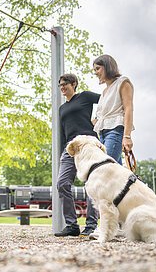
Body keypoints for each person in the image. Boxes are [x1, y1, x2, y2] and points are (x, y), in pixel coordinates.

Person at [55, 73, 101, 237]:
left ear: (74, 84)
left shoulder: (85, 97)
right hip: (70, 149)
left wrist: (98, 119)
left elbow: (106, 101)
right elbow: (62, 132)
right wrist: (62, 152)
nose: (62, 87)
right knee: (62, 184)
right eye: (60, 85)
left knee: (90, 184)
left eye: (65, 84)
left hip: (88, 145)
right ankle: (72, 225)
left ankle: (91, 224)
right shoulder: (62, 108)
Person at [91, 54, 134, 164]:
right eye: (94, 69)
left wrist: (127, 136)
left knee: (103, 167)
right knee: (115, 172)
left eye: (98, 68)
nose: (95, 72)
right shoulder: (104, 92)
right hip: (102, 135)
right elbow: (100, 116)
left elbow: (128, 109)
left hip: (115, 131)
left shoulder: (122, 82)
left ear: (107, 66)